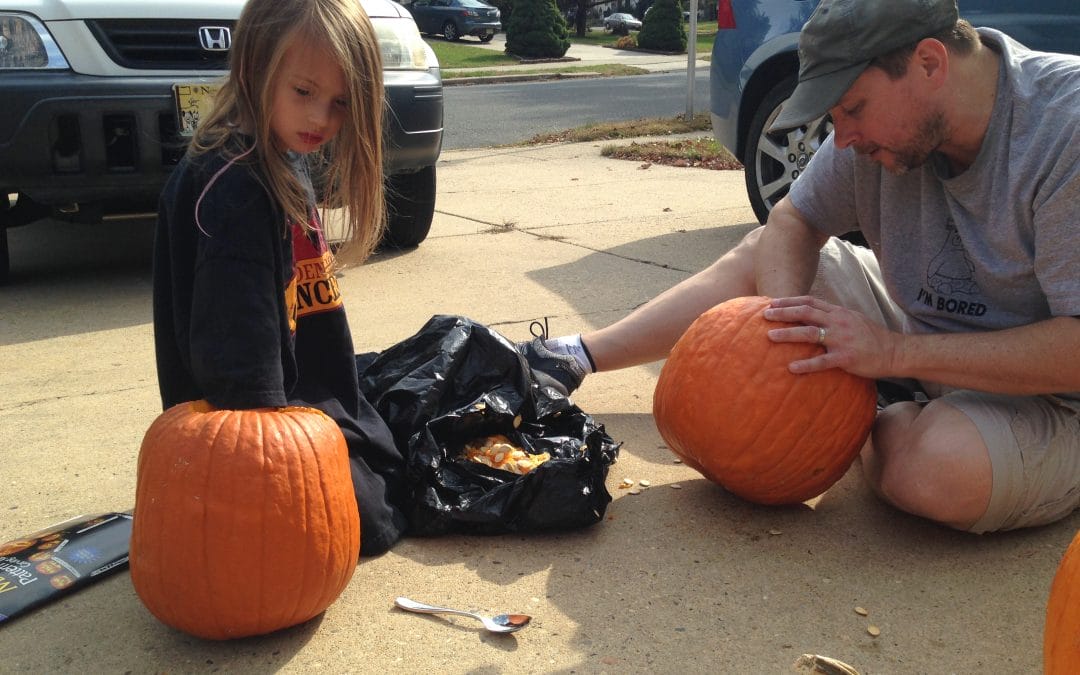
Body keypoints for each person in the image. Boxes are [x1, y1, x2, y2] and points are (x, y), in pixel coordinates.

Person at [521, 0, 1080, 534]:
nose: (844, 138)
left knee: (934, 472)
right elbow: (792, 220)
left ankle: (878, 414)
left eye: (853, 109)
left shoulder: (1064, 128)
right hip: (921, 336)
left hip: (1053, 394)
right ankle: (569, 357)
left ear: (930, 63)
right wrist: (780, 328)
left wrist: (890, 356)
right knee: (765, 249)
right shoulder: (875, 129)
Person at [153, 0, 408, 555]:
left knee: (428, 382)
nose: (321, 118)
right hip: (258, 437)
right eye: (304, 91)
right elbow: (240, 381)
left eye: (340, 102)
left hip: (308, 392)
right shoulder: (237, 194)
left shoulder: (277, 150)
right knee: (375, 508)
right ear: (254, 63)